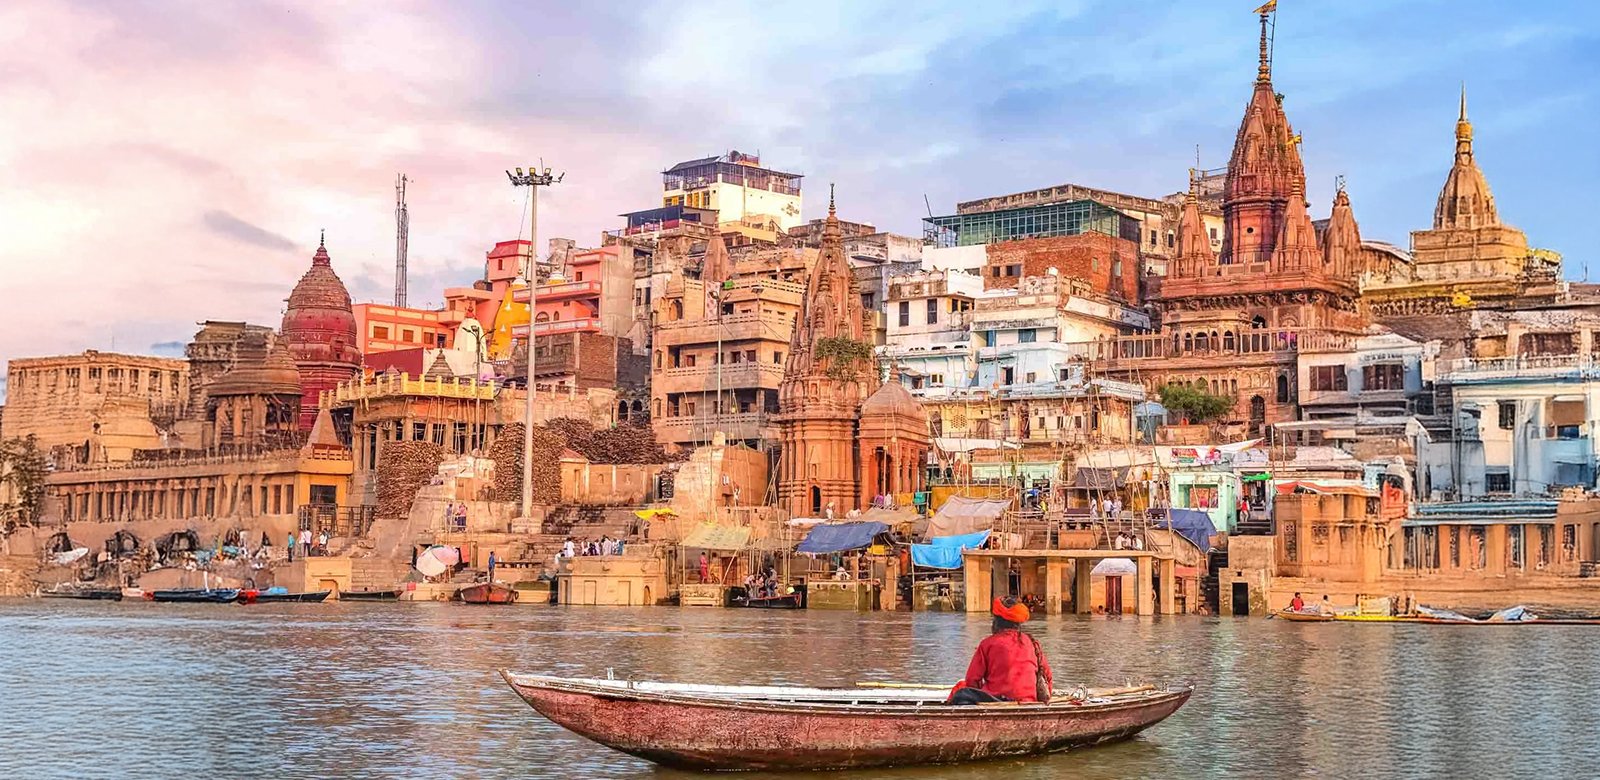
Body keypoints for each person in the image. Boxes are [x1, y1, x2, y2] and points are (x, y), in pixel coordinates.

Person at [949, 597, 1054, 705]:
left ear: (996, 623)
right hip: (1028, 701)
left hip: (997, 701)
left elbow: (972, 680)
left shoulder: (987, 644)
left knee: (961, 690)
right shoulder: (1032, 643)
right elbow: (1048, 677)